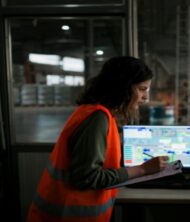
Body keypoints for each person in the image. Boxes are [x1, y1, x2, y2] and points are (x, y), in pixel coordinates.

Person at [27, 56, 169, 222]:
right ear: (122, 87)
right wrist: (142, 169)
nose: (146, 98)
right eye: (141, 89)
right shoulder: (97, 119)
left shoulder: (94, 112)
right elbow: (87, 177)